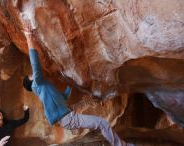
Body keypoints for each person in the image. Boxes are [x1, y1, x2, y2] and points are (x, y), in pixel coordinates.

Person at [22, 18, 133, 146]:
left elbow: (63, 97)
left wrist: (72, 83)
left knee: (90, 108)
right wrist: (29, 37)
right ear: (31, 80)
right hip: (68, 118)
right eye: (31, 75)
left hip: (68, 113)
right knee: (101, 123)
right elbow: (35, 63)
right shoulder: (38, 84)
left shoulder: (44, 89)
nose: (33, 75)